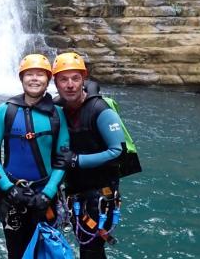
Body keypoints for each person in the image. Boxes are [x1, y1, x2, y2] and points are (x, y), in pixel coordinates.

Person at [0, 54, 69, 259]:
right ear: (21, 78)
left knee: (44, 251)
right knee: (15, 252)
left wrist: (48, 193)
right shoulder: (6, 110)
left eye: (40, 75)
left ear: (48, 80)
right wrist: (8, 187)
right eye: (29, 74)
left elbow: (63, 158)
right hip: (12, 195)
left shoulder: (58, 114)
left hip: (44, 196)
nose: (34, 79)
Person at [51, 52, 125, 259]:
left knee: (92, 250)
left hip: (101, 194)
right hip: (75, 193)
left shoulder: (100, 110)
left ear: (84, 79)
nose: (70, 84)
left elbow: (118, 152)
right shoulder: (58, 109)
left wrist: (76, 160)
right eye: (63, 79)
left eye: (75, 78)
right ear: (55, 82)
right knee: (87, 247)